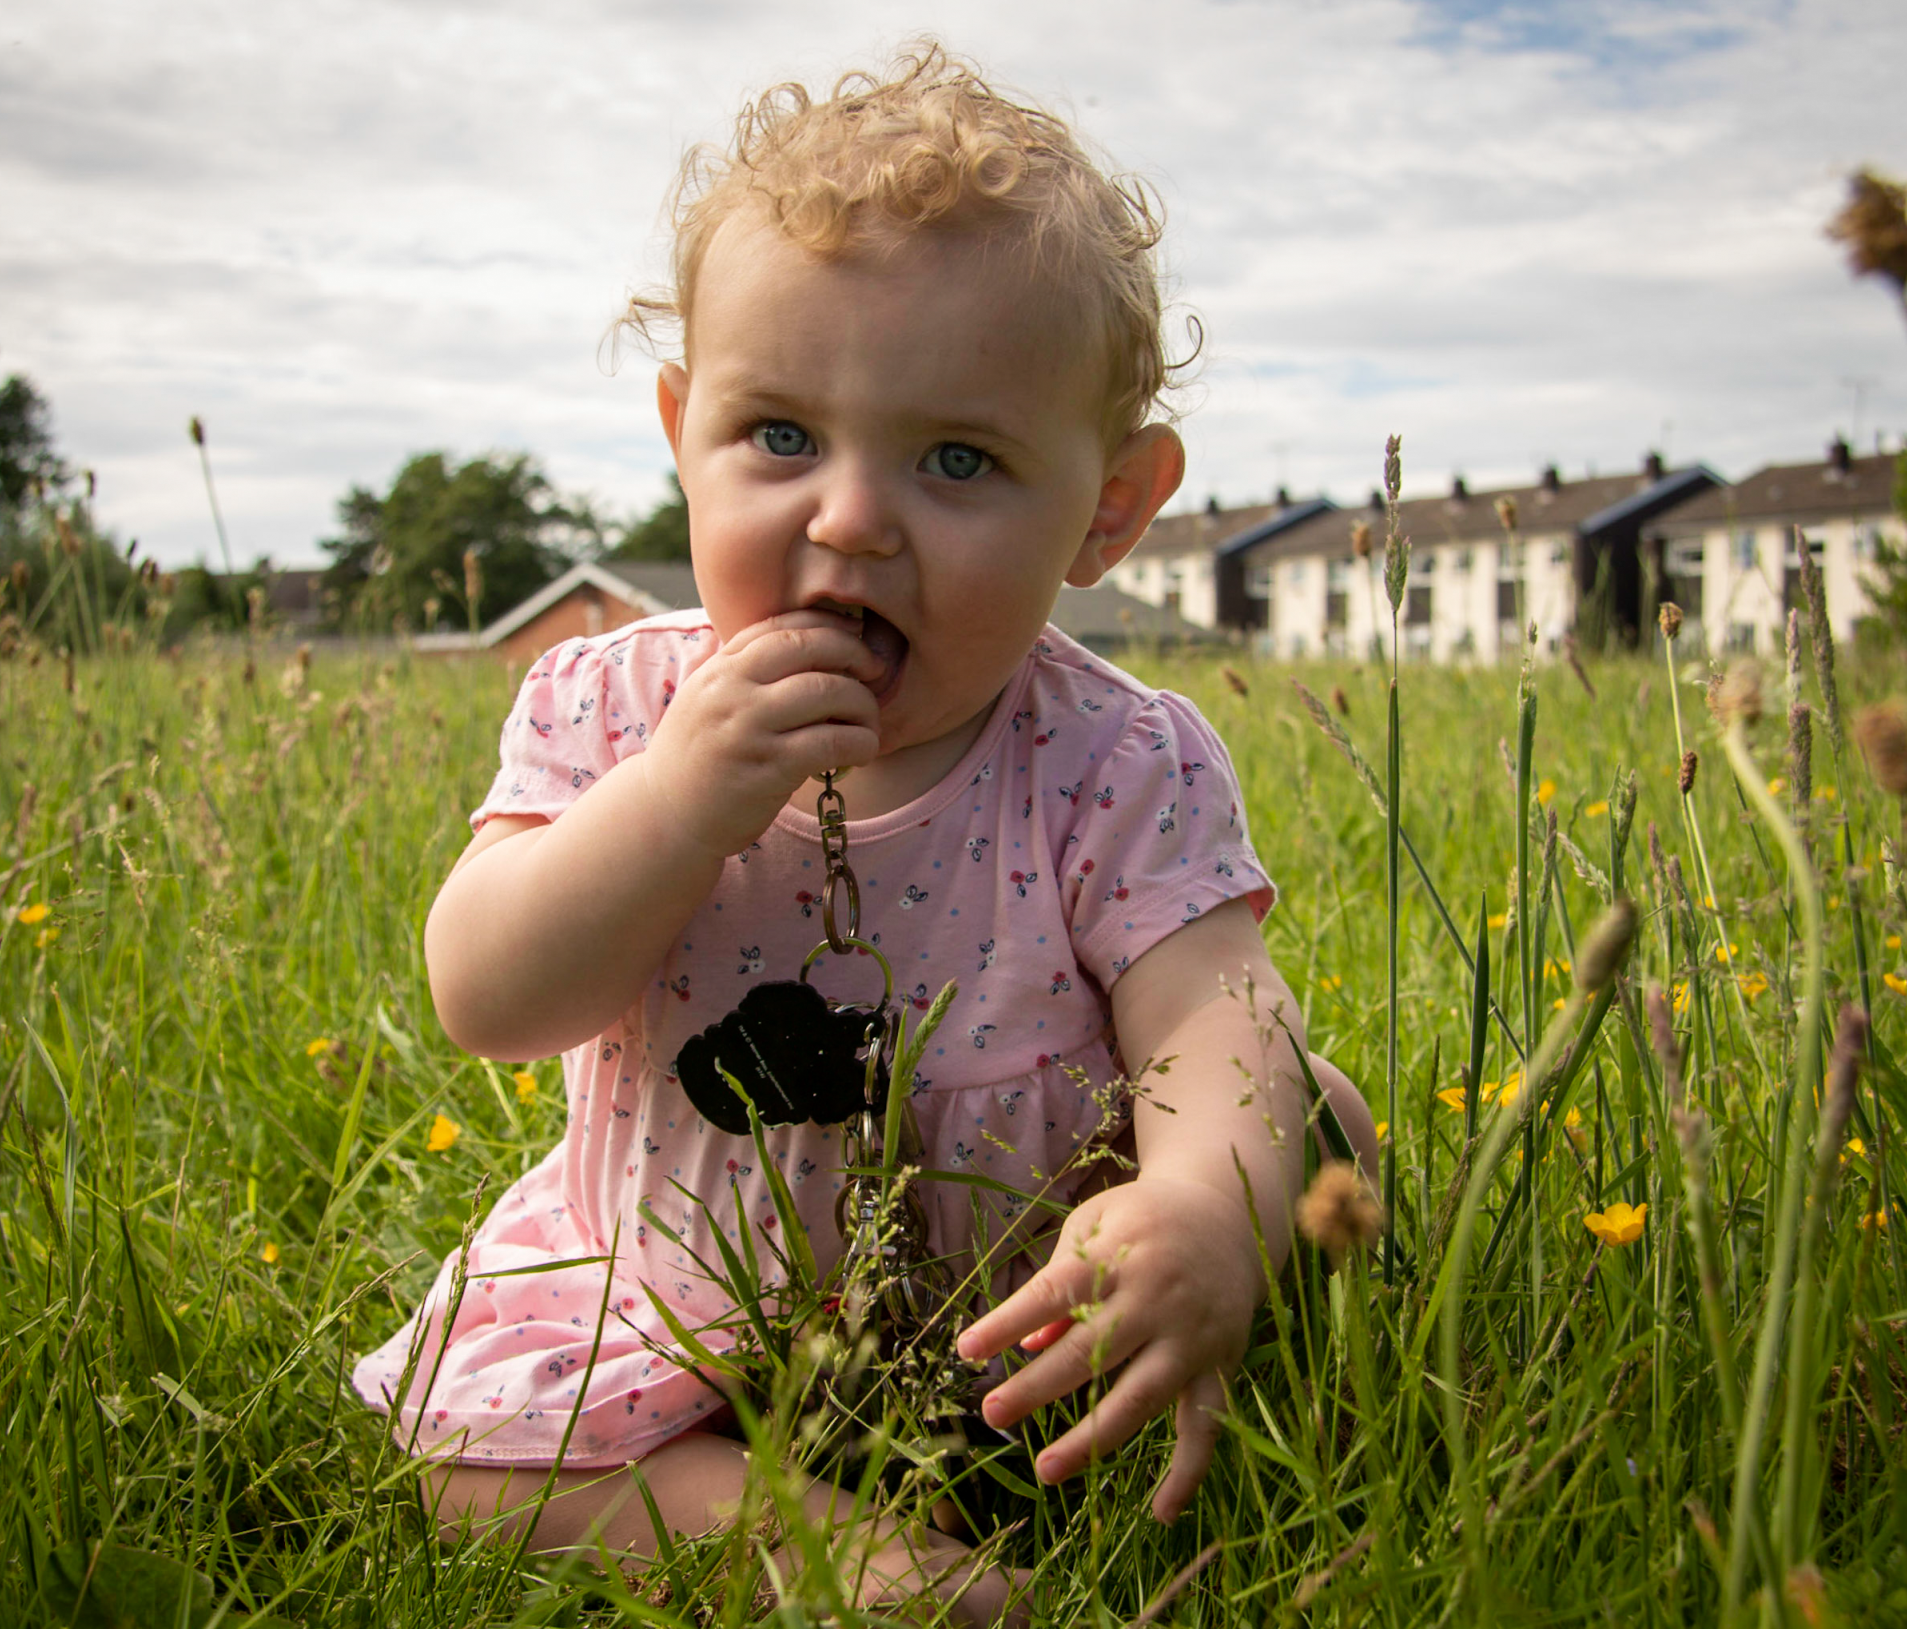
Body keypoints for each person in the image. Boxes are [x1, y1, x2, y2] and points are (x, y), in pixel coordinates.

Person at [351, 42, 1375, 1626]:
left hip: (1031, 1305)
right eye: (777, 438)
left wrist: (1198, 1207)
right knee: (479, 1460)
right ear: (685, 429)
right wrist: (679, 801)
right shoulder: (610, 709)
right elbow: (491, 1000)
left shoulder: (1112, 754)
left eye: (956, 460)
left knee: (1308, 1130)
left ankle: (1183, 1355)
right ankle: (842, 1557)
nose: (847, 519)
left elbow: (1213, 1013)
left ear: (1106, 510)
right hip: (691, 1304)